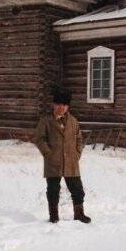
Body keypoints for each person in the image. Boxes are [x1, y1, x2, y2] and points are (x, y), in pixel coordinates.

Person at [33, 87, 91, 224]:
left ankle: (79, 214)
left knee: (77, 189)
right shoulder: (46, 121)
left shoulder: (73, 121)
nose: (62, 108)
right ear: (54, 105)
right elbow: (39, 139)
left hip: (71, 161)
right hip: (53, 162)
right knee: (53, 190)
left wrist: (77, 153)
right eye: (59, 104)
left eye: (65, 105)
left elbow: (79, 139)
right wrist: (48, 153)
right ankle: (54, 216)